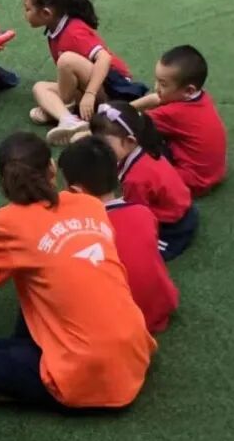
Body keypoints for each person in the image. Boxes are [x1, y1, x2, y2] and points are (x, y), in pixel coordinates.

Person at [0, 132, 156, 409]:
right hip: (135, 352)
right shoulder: (91, 204)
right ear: (52, 168)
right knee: (36, 282)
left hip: (87, 377)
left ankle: (24, 381)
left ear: (2, 181)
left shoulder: (6, 221)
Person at [58, 137, 179, 333]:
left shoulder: (81, 233)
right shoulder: (143, 212)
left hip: (124, 323)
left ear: (75, 190)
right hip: (163, 305)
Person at [22, 0, 147, 145]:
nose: (25, 14)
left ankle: (63, 110)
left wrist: (90, 94)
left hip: (113, 88)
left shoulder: (74, 32)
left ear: (46, 13)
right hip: (91, 85)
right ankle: (70, 120)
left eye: (27, 9)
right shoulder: (54, 30)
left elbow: (104, 58)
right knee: (39, 88)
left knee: (66, 60)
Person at [88, 102, 198, 261]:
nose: (98, 149)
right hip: (184, 206)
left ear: (130, 141)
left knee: (131, 248)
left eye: (104, 145)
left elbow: (136, 216)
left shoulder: (135, 180)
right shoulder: (147, 149)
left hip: (172, 227)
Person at [132, 45, 227, 196]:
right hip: (213, 174)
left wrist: (104, 115)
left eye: (163, 84)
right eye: (157, 81)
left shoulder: (173, 113)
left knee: (130, 141)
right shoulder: (201, 97)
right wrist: (130, 106)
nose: (156, 87)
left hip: (190, 181)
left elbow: (126, 121)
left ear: (188, 90)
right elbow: (157, 98)